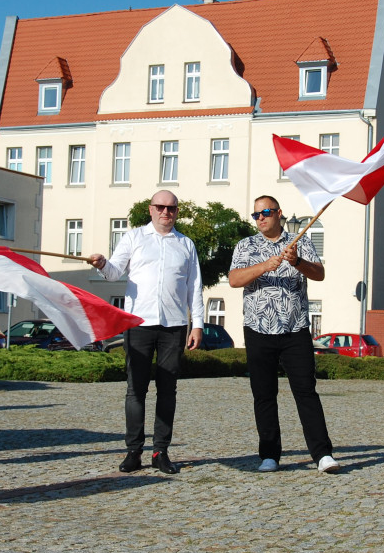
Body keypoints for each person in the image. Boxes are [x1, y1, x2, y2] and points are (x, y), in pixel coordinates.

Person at [90, 190, 204, 474]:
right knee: (136, 389)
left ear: (177, 212)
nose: (166, 212)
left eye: (172, 208)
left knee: (168, 390)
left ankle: (161, 451)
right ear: (150, 209)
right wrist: (102, 264)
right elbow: (115, 272)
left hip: (174, 325)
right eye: (161, 207)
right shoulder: (133, 238)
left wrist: (198, 324)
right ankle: (133, 451)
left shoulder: (186, 244)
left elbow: (195, 287)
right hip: (139, 324)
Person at [228, 195, 339, 474]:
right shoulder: (246, 245)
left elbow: (319, 274)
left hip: (295, 329)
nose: (260, 218)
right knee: (264, 394)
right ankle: (269, 455)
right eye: (255, 215)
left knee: (305, 392)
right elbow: (234, 279)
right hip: (258, 329)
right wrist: (265, 266)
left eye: (265, 212)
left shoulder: (299, 241)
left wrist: (298, 261)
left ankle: (322, 454)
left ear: (279, 213)